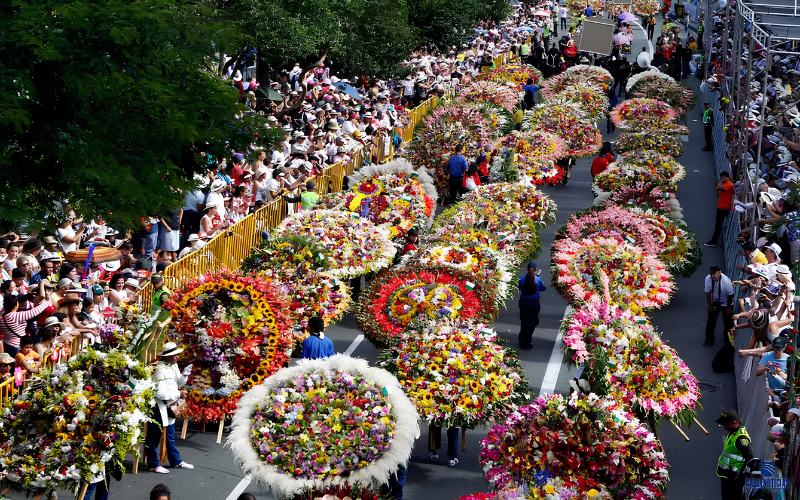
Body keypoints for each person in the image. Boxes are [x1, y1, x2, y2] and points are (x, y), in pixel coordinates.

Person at [145, 342, 194, 474]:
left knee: (170, 436)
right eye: (175, 355)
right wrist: (179, 394)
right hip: (158, 407)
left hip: (170, 406)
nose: (178, 356)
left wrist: (186, 374)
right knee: (154, 437)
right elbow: (159, 394)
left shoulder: (173, 365)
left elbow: (179, 382)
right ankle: (153, 464)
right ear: (167, 356)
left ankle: (176, 461)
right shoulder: (159, 370)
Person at [716, 409, 753, 499]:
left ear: (734, 422)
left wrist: (741, 476)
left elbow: (750, 458)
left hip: (734, 479)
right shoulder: (733, 433)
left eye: (725, 423)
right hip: (727, 475)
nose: (724, 425)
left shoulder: (741, 438)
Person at [704, 265, 734, 346]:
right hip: (715, 301)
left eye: (714, 274)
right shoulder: (708, 279)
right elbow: (707, 292)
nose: (712, 276)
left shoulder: (726, 281)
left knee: (728, 322)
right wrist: (709, 305)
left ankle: (728, 339)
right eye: (711, 274)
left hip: (726, 302)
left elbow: (730, 295)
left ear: (719, 273)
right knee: (711, 320)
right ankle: (709, 339)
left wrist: (729, 307)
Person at [518, 261, 546, 350]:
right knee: (532, 322)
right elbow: (543, 288)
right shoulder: (537, 279)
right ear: (535, 269)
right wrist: (538, 276)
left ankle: (522, 338)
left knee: (524, 321)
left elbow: (519, 286)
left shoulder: (521, 278)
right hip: (533, 303)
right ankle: (527, 341)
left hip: (523, 302)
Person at [705, 171, 734, 247]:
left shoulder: (729, 184)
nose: (720, 179)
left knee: (718, 225)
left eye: (721, 177)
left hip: (724, 208)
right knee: (718, 225)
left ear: (724, 177)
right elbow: (716, 187)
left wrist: (721, 181)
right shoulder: (726, 183)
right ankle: (714, 240)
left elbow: (718, 188)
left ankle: (714, 241)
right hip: (721, 206)